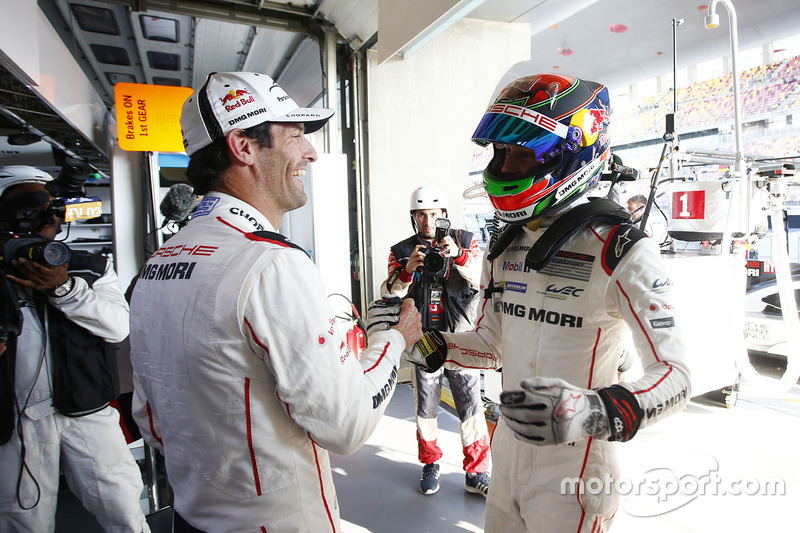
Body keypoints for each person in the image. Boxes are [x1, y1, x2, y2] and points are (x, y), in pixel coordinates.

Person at [129, 71, 422, 533]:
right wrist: (394, 340)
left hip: (189, 517)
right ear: (243, 146)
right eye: (295, 135)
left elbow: (150, 417)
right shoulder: (270, 263)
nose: (310, 151)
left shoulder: (158, 263)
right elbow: (344, 424)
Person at [405, 73, 691, 532]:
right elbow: (493, 345)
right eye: (502, 152)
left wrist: (595, 411)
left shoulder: (621, 249)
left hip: (577, 468)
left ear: (570, 154)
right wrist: (438, 345)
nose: (508, 165)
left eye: (523, 152)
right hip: (509, 450)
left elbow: (677, 375)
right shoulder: (505, 246)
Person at [0, 165, 150, 532]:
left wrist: (64, 288)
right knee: (23, 521)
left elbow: (118, 327)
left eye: (48, 206)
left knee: (125, 511)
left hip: (88, 410)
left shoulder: (90, 268)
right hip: (18, 421)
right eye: (29, 208)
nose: (43, 217)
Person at [380, 185, 491, 497]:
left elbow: (483, 278)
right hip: (426, 339)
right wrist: (408, 269)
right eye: (421, 214)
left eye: (433, 214)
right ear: (414, 217)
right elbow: (389, 293)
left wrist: (457, 255)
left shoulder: (466, 240)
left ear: (444, 214)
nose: (428, 220)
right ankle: (430, 463)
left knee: (471, 406)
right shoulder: (401, 250)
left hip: (462, 337)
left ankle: (477, 472)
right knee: (425, 405)